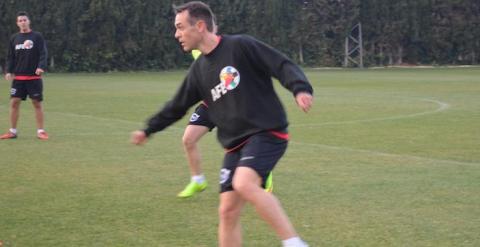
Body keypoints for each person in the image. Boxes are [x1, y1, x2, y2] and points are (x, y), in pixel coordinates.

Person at [131, 2, 312, 246]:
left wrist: (299, 88)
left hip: (266, 132)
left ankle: (294, 242)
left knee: (243, 183)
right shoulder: (199, 70)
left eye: (180, 27)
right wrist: (148, 129)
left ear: (200, 25)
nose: (177, 34)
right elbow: (176, 106)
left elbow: (280, 64)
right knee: (227, 211)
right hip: (235, 144)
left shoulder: (240, 46)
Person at [178, 50, 273, 198]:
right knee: (188, 139)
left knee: (243, 146)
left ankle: (265, 177)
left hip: (232, 108)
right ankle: (198, 180)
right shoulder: (198, 53)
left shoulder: (229, 55)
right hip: (209, 106)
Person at [1, 11, 48, 140]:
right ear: (17, 23)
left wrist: (41, 66)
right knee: (14, 103)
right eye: (20, 20)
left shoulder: (37, 36)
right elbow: (10, 57)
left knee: (36, 103)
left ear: (29, 21)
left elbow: (43, 53)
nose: (22, 22)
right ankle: (12, 131)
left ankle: (41, 131)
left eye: (24, 20)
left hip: (34, 77)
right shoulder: (14, 38)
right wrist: (9, 71)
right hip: (19, 78)